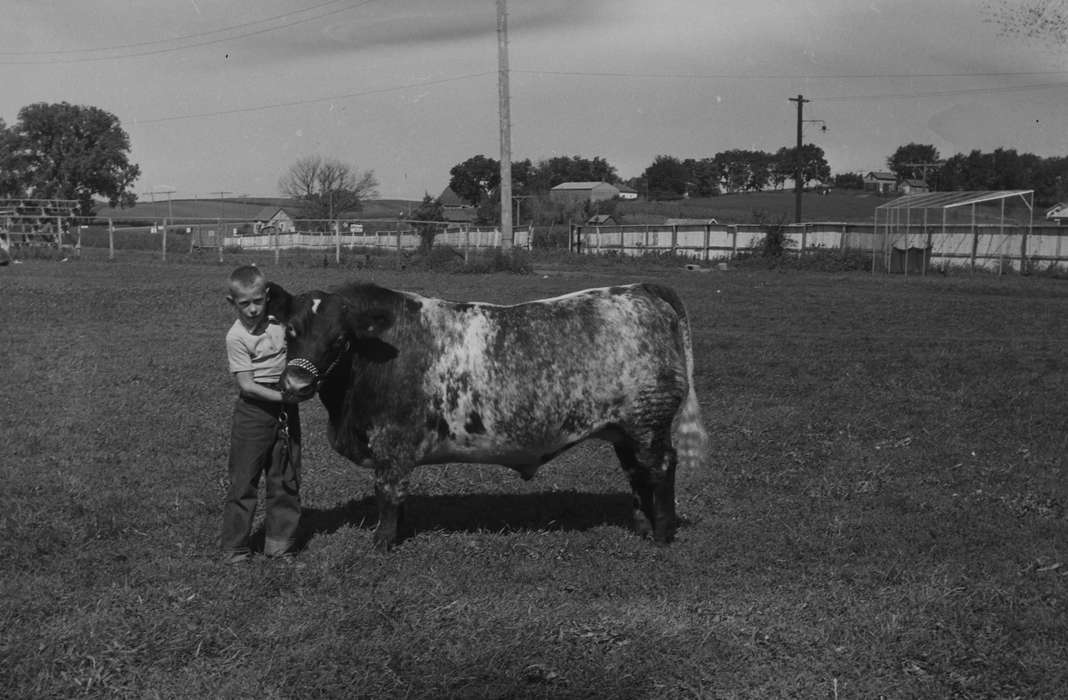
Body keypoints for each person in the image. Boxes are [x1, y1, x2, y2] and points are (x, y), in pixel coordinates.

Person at [221, 265, 302, 564]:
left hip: (285, 410)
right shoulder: (237, 337)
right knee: (244, 481)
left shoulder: (280, 324)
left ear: (267, 296)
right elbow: (248, 386)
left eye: (258, 300)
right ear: (232, 302)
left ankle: (280, 546)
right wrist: (286, 398)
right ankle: (235, 550)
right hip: (253, 413)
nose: (253, 309)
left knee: (286, 478)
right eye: (244, 303)